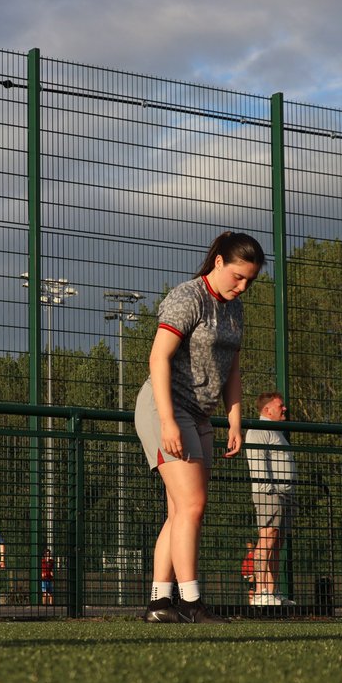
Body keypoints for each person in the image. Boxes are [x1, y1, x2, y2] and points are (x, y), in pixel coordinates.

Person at [135, 231, 266, 624]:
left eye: (250, 281)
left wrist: (236, 420)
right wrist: (169, 421)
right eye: (238, 277)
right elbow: (158, 358)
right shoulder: (188, 296)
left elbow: (233, 371)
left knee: (181, 511)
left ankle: (159, 604)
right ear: (219, 262)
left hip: (201, 414)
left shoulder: (234, 309)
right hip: (166, 408)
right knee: (193, 505)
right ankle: (191, 603)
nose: (242, 287)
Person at [245, 392, 297, 606]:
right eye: (280, 406)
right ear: (267, 410)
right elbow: (257, 463)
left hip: (284, 495)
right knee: (267, 539)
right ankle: (260, 592)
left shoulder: (277, 431)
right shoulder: (259, 430)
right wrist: (269, 492)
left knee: (277, 542)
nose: (284, 409)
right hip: (269, 493)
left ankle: (272, 593)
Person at [241, 540, 256, 604]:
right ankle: (251, 602)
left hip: (251, 573)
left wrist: (254, 574)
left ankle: (252, 603)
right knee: (250, 589)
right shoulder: (248, 554)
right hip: (246, 573)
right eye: (247, 544)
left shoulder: (254, 554)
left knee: (251, 588)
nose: (248, 546)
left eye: (250, 544)